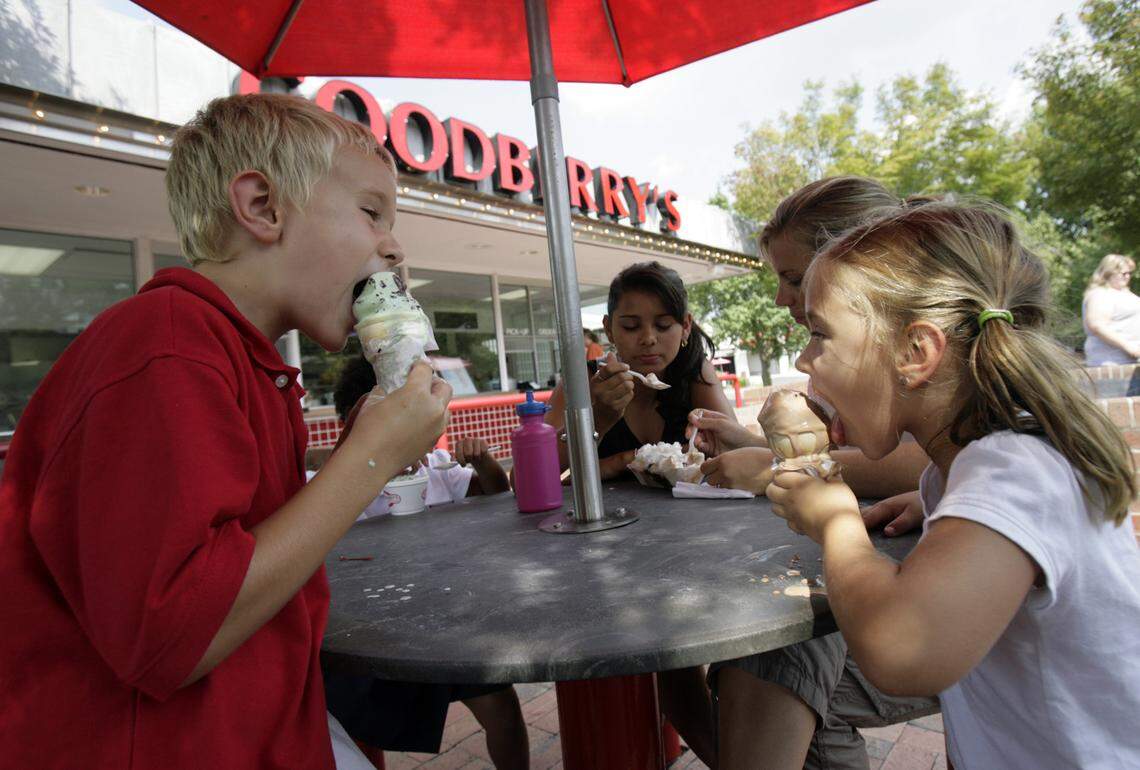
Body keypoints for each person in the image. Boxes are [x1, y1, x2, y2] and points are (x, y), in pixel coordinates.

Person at [0, 93, 453, 769]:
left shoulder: (239, 359)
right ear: (263, 207)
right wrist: (369, 458)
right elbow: (173, 634)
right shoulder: (166, 346)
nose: (394, 244)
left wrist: (368, 445)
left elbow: (236, 533)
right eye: (371, 213)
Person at [766, 199, 1140, 769]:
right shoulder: (970, 471)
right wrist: (936, 505)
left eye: (821, 335)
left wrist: (835, 521)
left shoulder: (1013, 471)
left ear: (916, 353)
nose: (804, 357)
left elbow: (901, 651)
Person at [696, 178, 938, 770]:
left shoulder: (1002, 456)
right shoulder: (858, 356)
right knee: (770, 663)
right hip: (909, 588)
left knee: (777, 654)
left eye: (794, 278)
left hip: (945, 620)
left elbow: (931, 455)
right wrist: (760, 444)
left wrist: (792, 480)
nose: (781, 299)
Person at [545, 260, 738, 768]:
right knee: (669, 670)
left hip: (692, 549)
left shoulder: (696, 375)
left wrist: (619, 463)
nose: (648, 339)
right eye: (630, 326)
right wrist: (601, 424)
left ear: (686, 327)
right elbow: (539, 475)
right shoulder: (583, 382)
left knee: (706, 668)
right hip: (606, 553)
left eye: (663, 324)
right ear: (608, 329)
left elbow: (733, 462)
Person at [322, 356, 527, 769]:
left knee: (503, 712)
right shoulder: (330, 489)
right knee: (344, 722)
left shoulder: (437, 472)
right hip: (373, 637)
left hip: (447, 627)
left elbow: (494, 494)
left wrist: (485, 462)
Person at [1082, 252, 1140, 366]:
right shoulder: (1100, 294)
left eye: (1129, 273)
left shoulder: (1125, 294)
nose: (1127, 276)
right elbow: (1097, 325)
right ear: (1108, 273)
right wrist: (1131, 348)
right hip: (1111, 366)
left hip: (1131, 364)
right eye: (1123, 273)